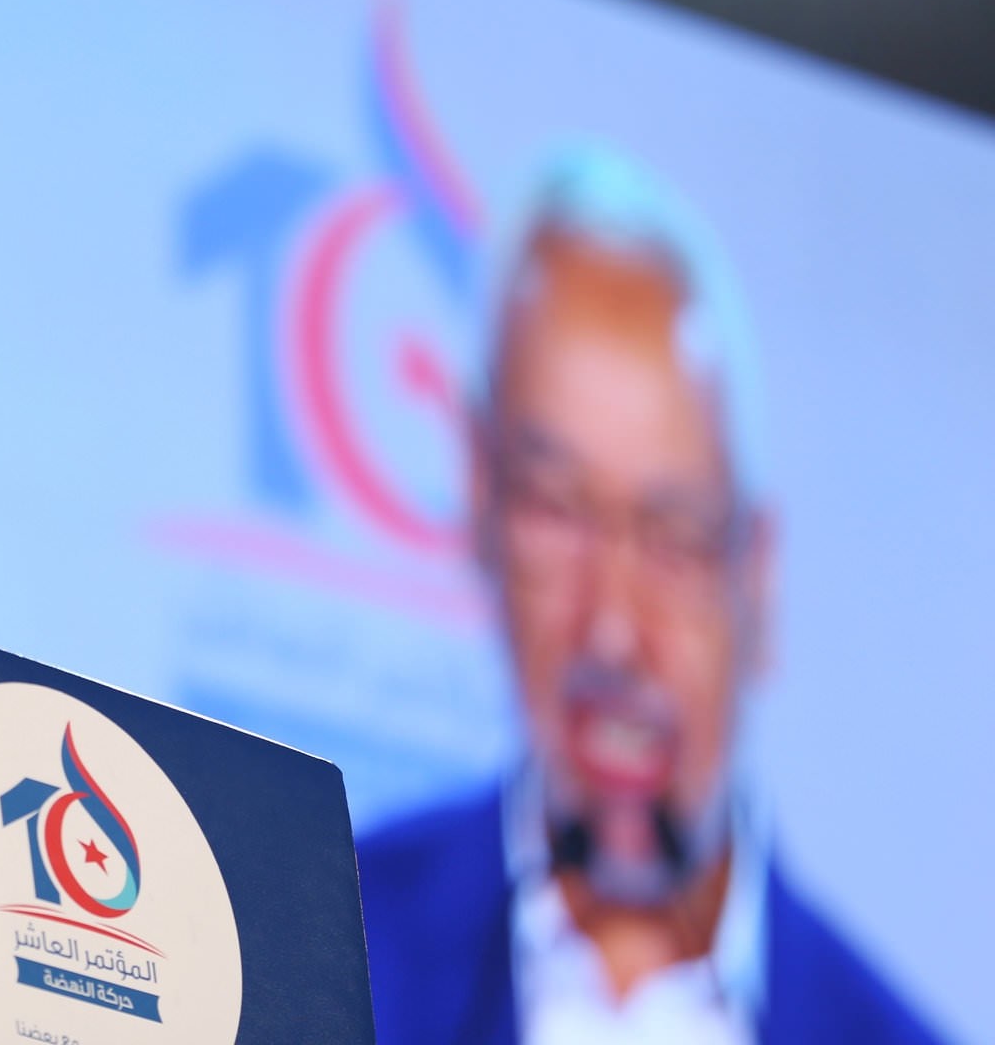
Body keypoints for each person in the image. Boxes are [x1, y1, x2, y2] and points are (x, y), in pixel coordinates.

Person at [355, 148, 941, 1044]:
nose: (616, 629)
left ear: (759, 581)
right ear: (481, 506)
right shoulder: (330, 955)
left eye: (676, 537)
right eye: (557, 511)